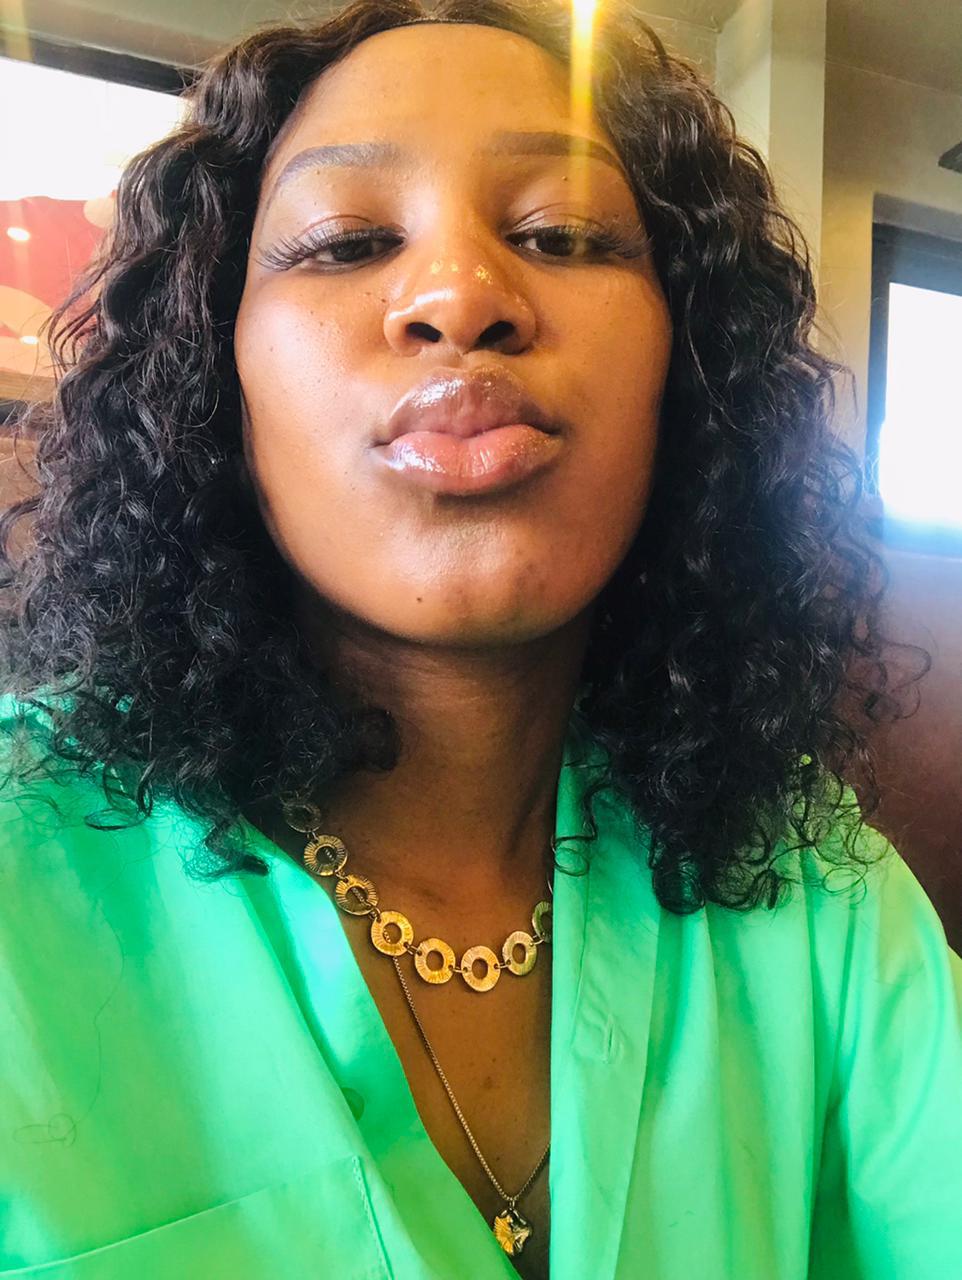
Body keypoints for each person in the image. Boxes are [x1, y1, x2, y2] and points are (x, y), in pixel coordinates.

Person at [0, 2, 959, 1277]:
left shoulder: (819, 892)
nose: (460, 295)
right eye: (345, 242)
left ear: (685, 374)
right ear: (209, 379)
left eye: (560, 234)